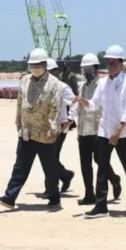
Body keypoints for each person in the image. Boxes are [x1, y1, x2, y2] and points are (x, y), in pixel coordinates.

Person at [76, 44, 126, 218]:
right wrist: (84, 101)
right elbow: (94, 104)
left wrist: (118, 130)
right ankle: (101, 206)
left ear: (121, 64)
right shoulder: (103, 83)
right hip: (104, 131)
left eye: (113, 63)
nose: (110, 66)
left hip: (123, 133)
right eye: (108, 62)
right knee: (102, 167)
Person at [0, 48, 65, 210]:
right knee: (20, 167)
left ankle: (54, 197)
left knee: (50, 169)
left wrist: (53, 131)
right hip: (26, 132)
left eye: (38, 65)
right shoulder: (25, 80)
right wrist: (18, 123)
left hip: (45, 134)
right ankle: (10, 197)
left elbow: (55, 108)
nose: (35, 68)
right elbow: (20, 103)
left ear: (45, 65)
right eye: (32, 65)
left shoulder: (55, 84)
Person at [76, 53, 123, 205]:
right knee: (85, 164)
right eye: (84, 69)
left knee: (100, 161)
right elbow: (79, 108)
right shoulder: (82, 86)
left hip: (98, 130)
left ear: (96, 69)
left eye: (89, 69)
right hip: (84, 130)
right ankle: (89, 194)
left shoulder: (103, 85)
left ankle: (114, 179)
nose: (86, 72)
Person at [45, 58, 77, 194]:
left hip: (60, 128)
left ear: (57, 72)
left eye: (51, 71)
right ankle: (64, 175)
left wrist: (69, 119)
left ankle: (51, 187)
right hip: (46, 127)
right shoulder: (44, 88)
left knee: (51, 157)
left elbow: (75, 102)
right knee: (48, 157)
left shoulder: (63, 87)